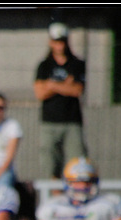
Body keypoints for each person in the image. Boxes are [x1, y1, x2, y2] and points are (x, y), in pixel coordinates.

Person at [34, 22, 86, 179]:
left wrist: (51, 85)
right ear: (51, 42)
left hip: (71, 120)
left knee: (76, 161)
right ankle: (55, 194)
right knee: (50, 163)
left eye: (62, 41)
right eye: (56, 41)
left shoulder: (76, 64)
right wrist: (64, 85)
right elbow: (40, 93)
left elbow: (77, 90)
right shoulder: (44, 66)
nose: (59, 46)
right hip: (50, 121)